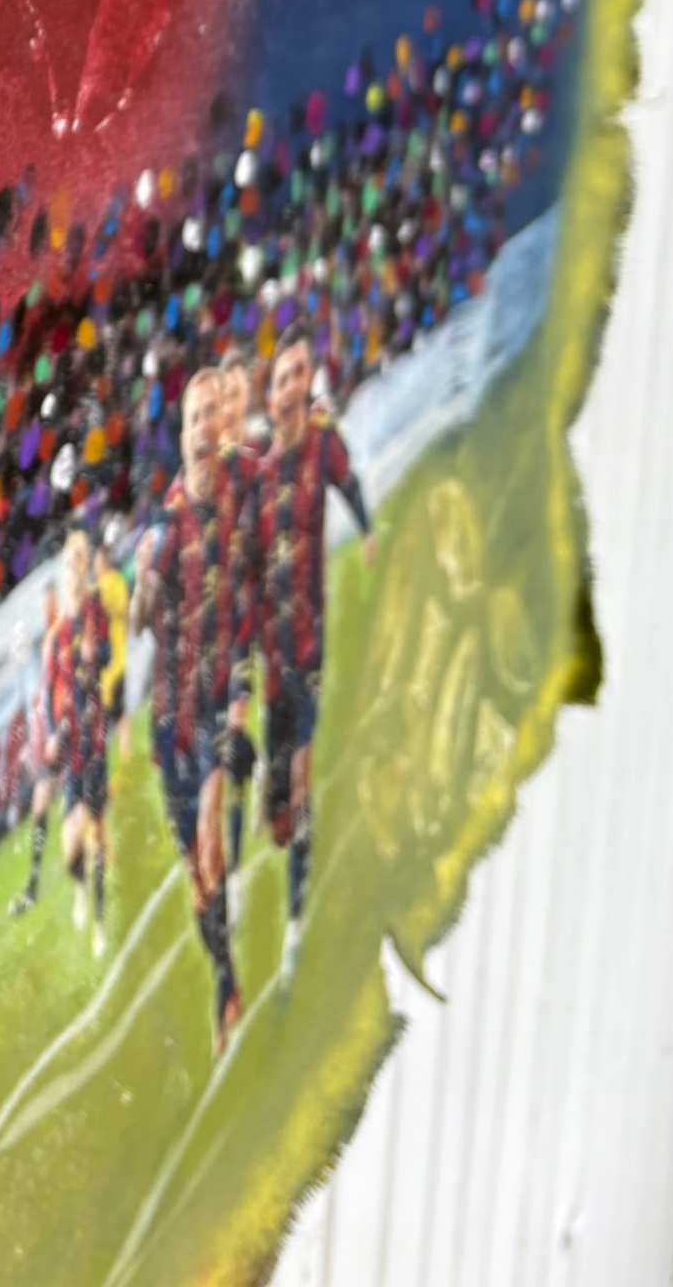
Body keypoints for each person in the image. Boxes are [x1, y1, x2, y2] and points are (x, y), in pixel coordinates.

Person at [246, 325, 374, 984]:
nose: (294, 384)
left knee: (300, 775)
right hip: (273, 662)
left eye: (302, 372)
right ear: (270, 398)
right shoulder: (260, 477)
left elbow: (348, 483)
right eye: (284, 376)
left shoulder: (324, 442)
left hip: (309, 648)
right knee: (278, 819)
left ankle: (296, 925)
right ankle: (277, 807)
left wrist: (368, 530)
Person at [133, 367, 254, 1050]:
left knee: (210, 837)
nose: (204, 426)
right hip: (170, 718)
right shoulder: (166, 521)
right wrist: (144, 586)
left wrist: (240, 703)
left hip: (213, 705)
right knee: (200, 879)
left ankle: (226, 994)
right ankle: (227, 981)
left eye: (213, 413)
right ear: (182, 435)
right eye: (194, 417)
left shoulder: (236, 505)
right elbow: (144, 617)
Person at [215, 352, 265, 891]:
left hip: (248, 619)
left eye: (237, 394)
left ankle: (230, 866)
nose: (230, 406)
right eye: (223, 396)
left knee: (232, 739)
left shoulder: (256, 462)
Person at [52, 527, 113, 955]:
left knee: (98, 831)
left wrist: (97, 655)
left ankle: (101, 922)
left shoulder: (95, 610)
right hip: (70, 742)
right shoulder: (60, 628)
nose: (76, 568)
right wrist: (54, 728)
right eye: (70, 561)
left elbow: (106, 654)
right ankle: (80, 889)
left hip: (94, 738)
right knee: (70, 843)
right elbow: (56, 684)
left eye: (81, 559)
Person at [11, 583, 65, 914]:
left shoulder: (54, 645)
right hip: (48, 751)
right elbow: (37, 713)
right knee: (40, 808)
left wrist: (57, 734)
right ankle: (32, 884)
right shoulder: (31, 672)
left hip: (64, 741)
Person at [94, 518, 131, 761]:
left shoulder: (111, 583)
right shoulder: (106, 584)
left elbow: (119, 610)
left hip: (115, 659)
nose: (95, 566)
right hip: (111, 660)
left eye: (98, 561)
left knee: (117, 709)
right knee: (114, 711)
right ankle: (123, 753)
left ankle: (125, 752)